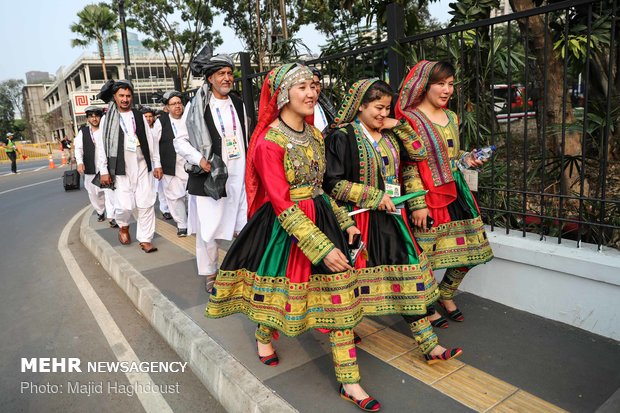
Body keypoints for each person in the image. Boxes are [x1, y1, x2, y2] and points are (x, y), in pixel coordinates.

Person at [207, 63, 404, 412]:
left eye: (314, 86)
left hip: (322, 219)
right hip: (286, 229)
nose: (312, 93)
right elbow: (282, 203)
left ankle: (349, 381)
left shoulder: (315, 135)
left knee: (341, 300)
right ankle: (263, 334)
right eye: (302, 88)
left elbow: (322, 190)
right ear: (283, 94)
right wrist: (322, 248)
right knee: (277, 291)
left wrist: (344, 223)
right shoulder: (269, 142)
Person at [324, 78, 463, 363]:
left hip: (392, 220)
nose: (383, 114)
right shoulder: (341, 137)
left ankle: (429, 345)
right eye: (378, 107)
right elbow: (331, 184)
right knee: (351, 286)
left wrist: (398, 125)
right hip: (358, 222)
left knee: (410, 277)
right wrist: (373, 197)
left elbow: (417, 156)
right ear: (360, 105)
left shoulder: (389, 133)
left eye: (387, 108)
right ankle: (346, 336)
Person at [395, 60, 493, 325]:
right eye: (440, 84)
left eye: (450, 84)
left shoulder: (452, 117)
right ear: (424, 85)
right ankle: (426, 304)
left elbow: (452, 154)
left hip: (456, 190)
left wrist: (468, 157)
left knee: (473, 251)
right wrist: (417, 204)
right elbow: (409, 165)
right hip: (427, 196)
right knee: (423, 255)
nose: (447, 89)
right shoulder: (410, 119)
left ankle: (446, 293)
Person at [175, 49, 250, 291]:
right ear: (210, 78)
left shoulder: (238, 103)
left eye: (229, 73)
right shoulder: (196, 106)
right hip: (211, 177)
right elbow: (180, 141)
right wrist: (200, 159)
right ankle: (210, 273)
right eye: (221, 73)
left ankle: (245, 269)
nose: (227, 78)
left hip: (239, 174)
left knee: (243, 223)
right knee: (210, 229)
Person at [96, 79, 160, 253]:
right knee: (124, 206)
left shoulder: (139, 116)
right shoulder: (106, 120)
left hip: (141, 166)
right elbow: (101, 147)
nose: (125, 99)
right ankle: (124, 225)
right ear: (115, 97)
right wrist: (103, 171)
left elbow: (151, 141)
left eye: (128, 96)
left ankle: (145, 239)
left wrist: (157, 164)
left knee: (146, 203)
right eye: (121, 96)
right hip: (120, 169)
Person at [153, 91, 189, 237]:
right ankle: (182, 224)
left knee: (191, 196)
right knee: (174, 197)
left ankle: (193, 221)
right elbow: (154, 145)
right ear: (167, 107)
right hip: (170, 165)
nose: (177, 106)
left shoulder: (189, 118)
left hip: (189, 164)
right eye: (173, 104)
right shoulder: (161, 122)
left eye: (179, 103)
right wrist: (157, 165)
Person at [74, 106, 117, 226]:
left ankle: (111, 216)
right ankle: (100, 211)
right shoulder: (83, 132)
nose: (94, 118)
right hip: (90, 168)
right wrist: (80, 162)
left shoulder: (106, 131)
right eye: (91, 116)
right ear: (88, 118)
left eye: (96, 116)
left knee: (109, 192)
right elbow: (78, 149)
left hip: (106, 168)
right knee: (94, 193)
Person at [143, 106, 172, 220]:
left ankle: (165, 209)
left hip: (158, 161)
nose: (148, 119)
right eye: (146, 117)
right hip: (145, 163)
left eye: (150, 116)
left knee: (161, 186)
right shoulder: (139, 130)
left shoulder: (157, 127)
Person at [310, 67, 336, 134]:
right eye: (312, 85)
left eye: (317, 84)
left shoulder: (325, 105)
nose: (315, 88)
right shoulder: (300, 110)